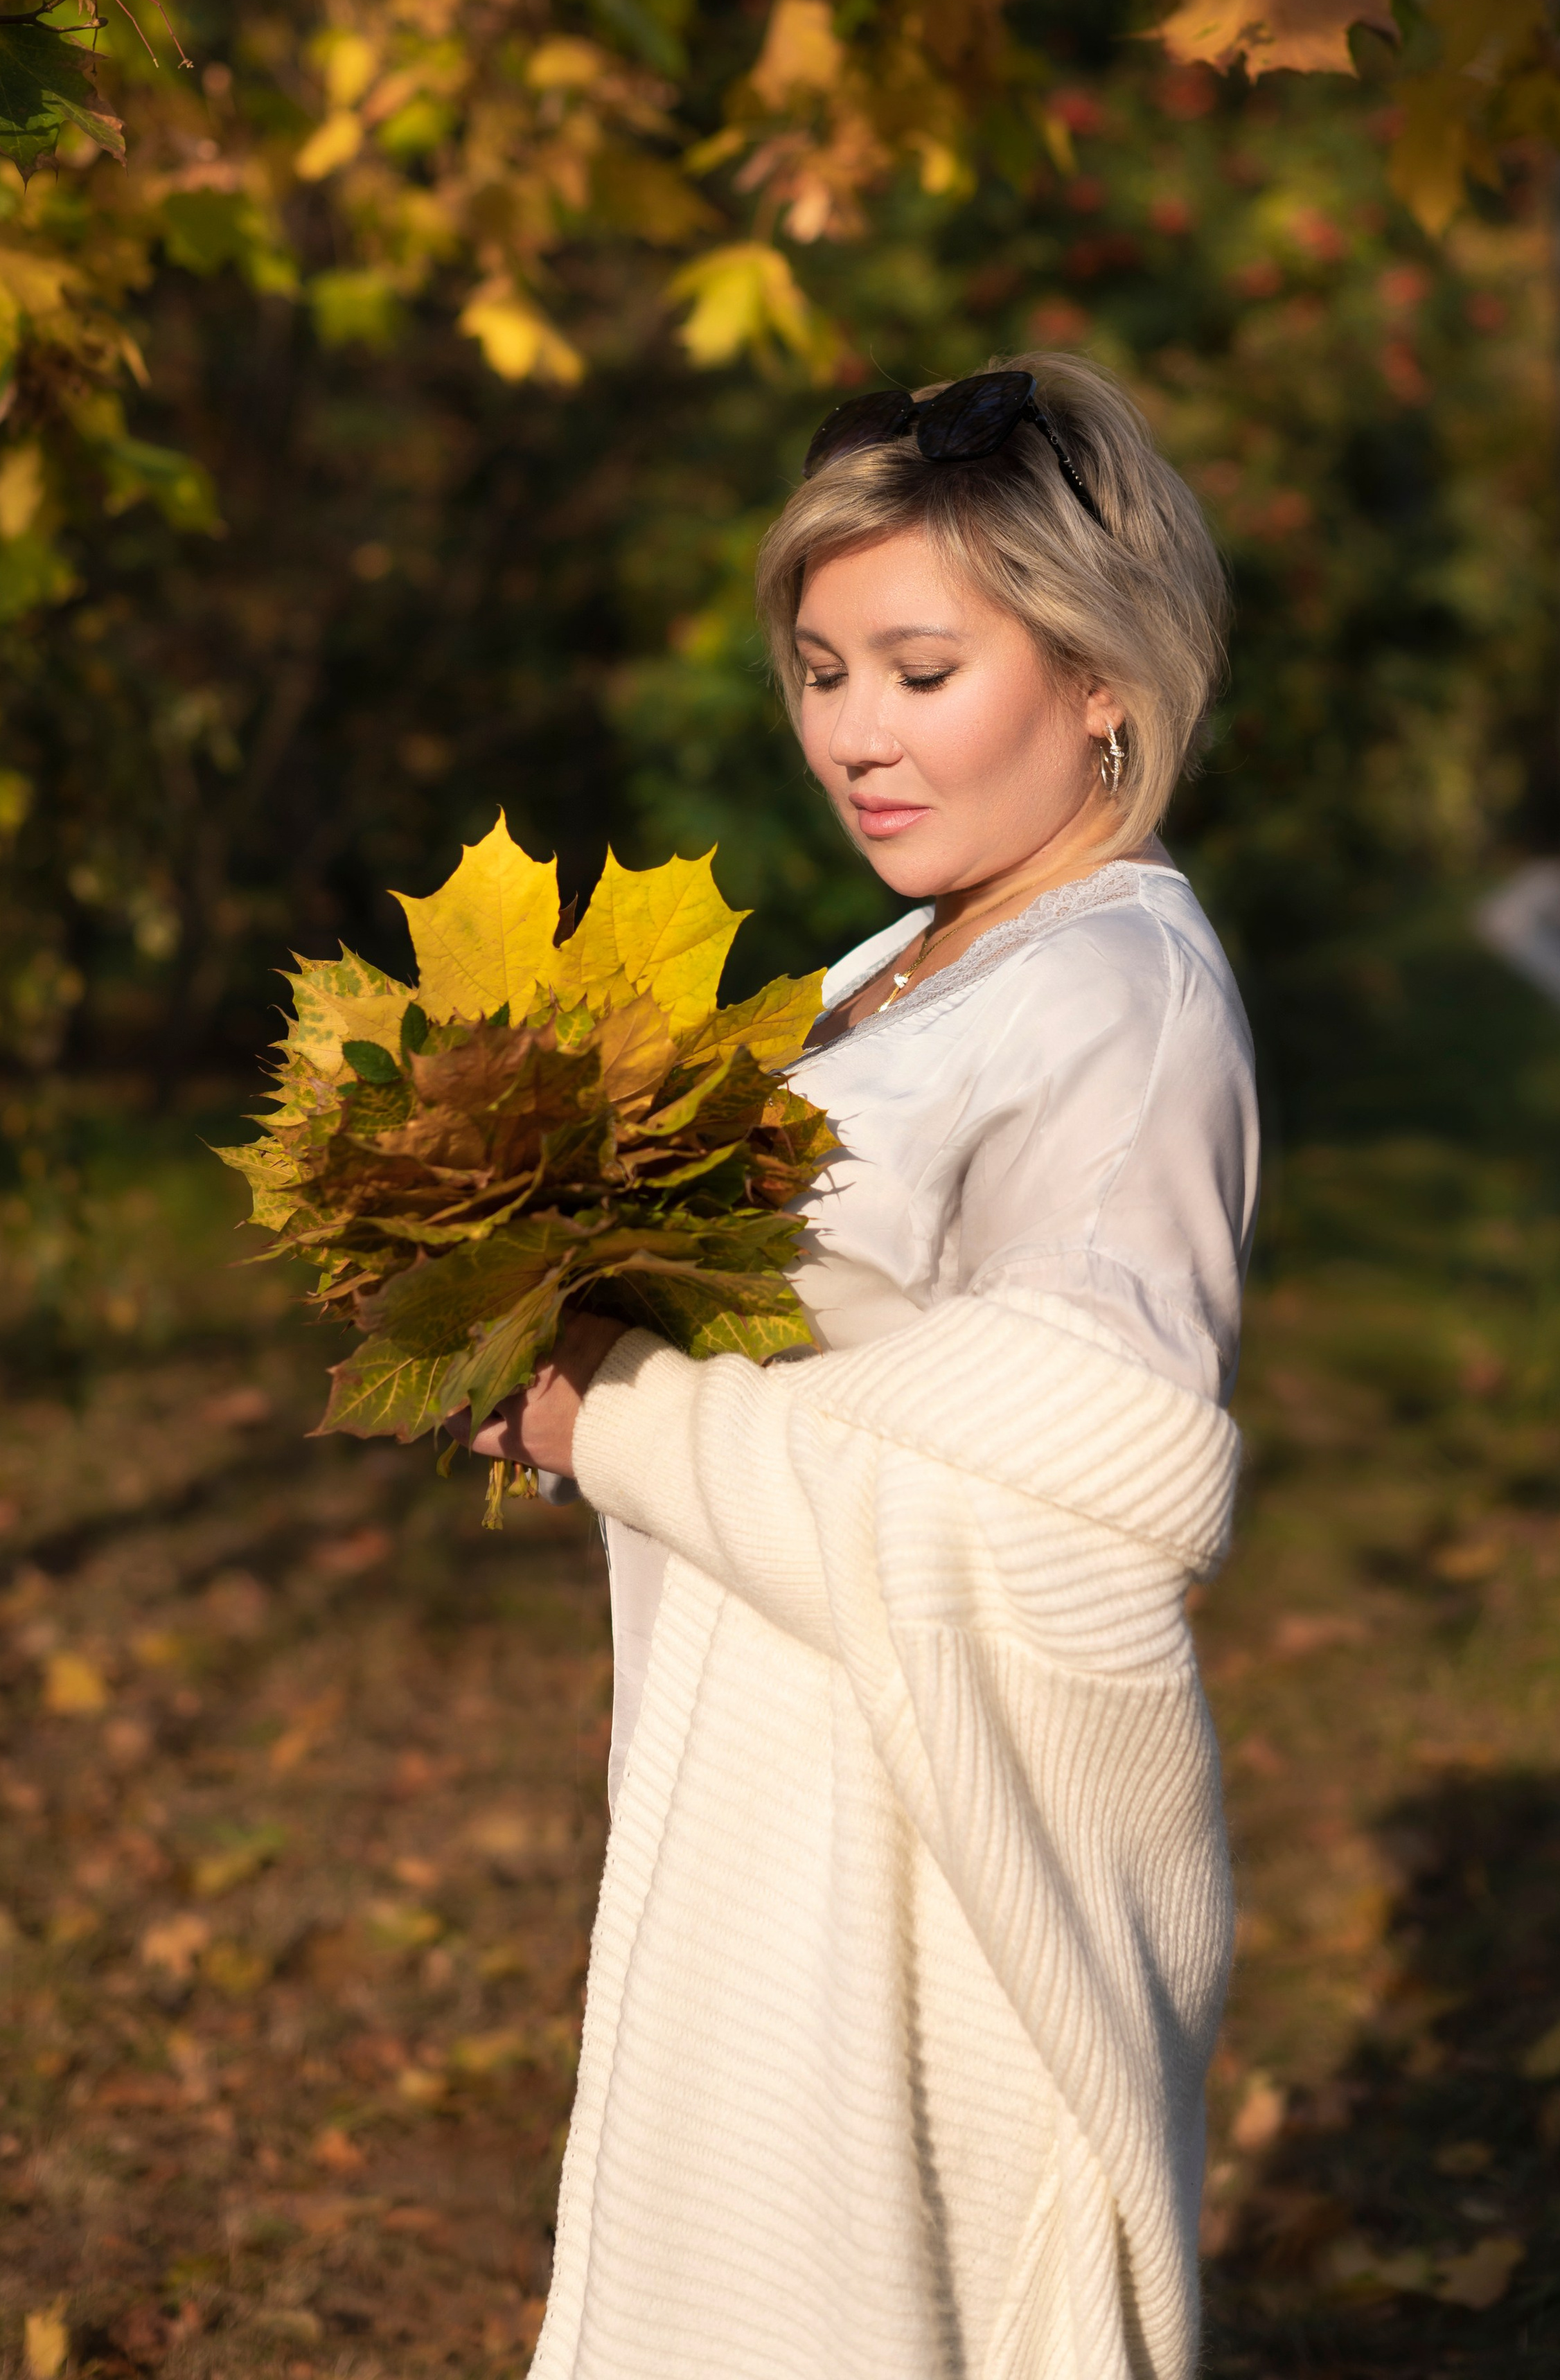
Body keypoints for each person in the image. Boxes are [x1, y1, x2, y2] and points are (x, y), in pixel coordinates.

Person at [470, 352, 1259, 2380]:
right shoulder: (890, 969)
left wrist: (610, 1409)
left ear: (1103, 679)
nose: (855, 738)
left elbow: (1075, 1532)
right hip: (765, 1792)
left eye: (921, 669)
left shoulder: (1118, 999)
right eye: (822, 672)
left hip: (927, 1879)